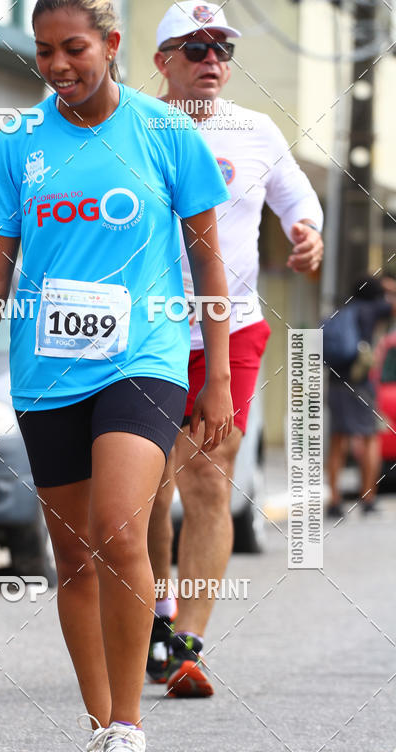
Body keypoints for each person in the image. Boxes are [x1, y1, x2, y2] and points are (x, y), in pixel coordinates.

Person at [0, 0, 233, 752]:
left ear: (111, 44)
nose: (58, 66)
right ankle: (100, 728)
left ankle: (132, 734)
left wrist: (219, 378)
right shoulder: (19, 145)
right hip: (46, 371)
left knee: (117, 529)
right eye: (43, 52)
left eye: (73, 49)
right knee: (72, 556)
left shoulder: (167, 135)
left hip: (144, 358)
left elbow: (208, 263)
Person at [147, 2, 325, 696]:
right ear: (163, 61)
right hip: (147, 329)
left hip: (234, 325)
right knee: (148, 485)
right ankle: (155, 610)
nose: (211, 59)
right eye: (194, 48)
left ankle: (186, 639)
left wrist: (307, 232)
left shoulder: (254, 131)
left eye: (221, 46)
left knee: (208, 474)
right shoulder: (134, 126)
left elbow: (296, 197)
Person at [327, 275, 396, 517]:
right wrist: (389, 286)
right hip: (361, 382)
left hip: (335, 382)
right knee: (369, 439)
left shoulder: (342, 310)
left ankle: (334, 501)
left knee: (338, 440)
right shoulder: (373, 309)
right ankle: (368, 498)